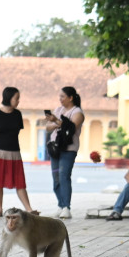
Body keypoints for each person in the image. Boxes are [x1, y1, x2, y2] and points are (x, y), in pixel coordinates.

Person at [0, 86, 37, 217]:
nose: (18, 101)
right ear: (8, 98)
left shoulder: (17, 114)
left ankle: (29, 209)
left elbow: (15, 132)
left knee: (20, 181)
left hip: (14, 153)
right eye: (16, 98)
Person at [44, 86, 84, 219]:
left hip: (69, 149)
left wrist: (56, 121)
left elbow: (72, 127)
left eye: (62, 96)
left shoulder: (77, 112)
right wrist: (56, 123)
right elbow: (48, 127)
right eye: (59, 97)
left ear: (70, 98)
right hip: (55, 147)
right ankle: (60, 205)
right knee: (55, 177)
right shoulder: (58, 110)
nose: (60, 99)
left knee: (63, 175)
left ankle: (67, 207)